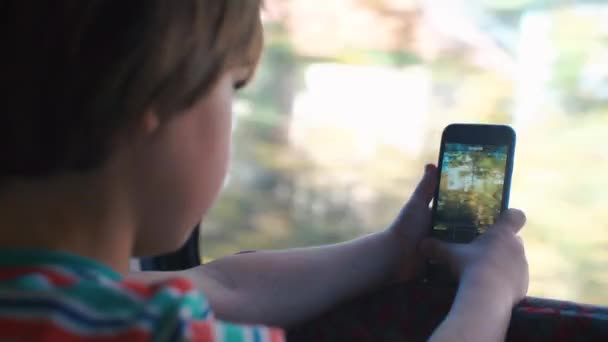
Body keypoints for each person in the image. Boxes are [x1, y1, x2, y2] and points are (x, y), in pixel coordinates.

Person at [0, 1, 528, 341]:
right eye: (231, 88)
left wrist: (392, 248)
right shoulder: (151, 329)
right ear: (152, 101)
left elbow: (222, 286)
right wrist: (489, 288)